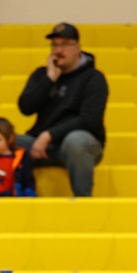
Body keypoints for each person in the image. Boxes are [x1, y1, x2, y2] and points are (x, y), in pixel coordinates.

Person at [16, 23, 109, 198]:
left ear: (78, 48)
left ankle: (83, 201)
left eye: (65, 44)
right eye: (55, 45)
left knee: (75, 141)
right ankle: (14, 197)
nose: (59, 50)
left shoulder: (94, 78)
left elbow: (89, 120)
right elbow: (25, 108)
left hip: (82, 145)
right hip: (43, 146)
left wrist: (49, 134)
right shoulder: (42, 74)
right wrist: (49, 80)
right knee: (6, 142)